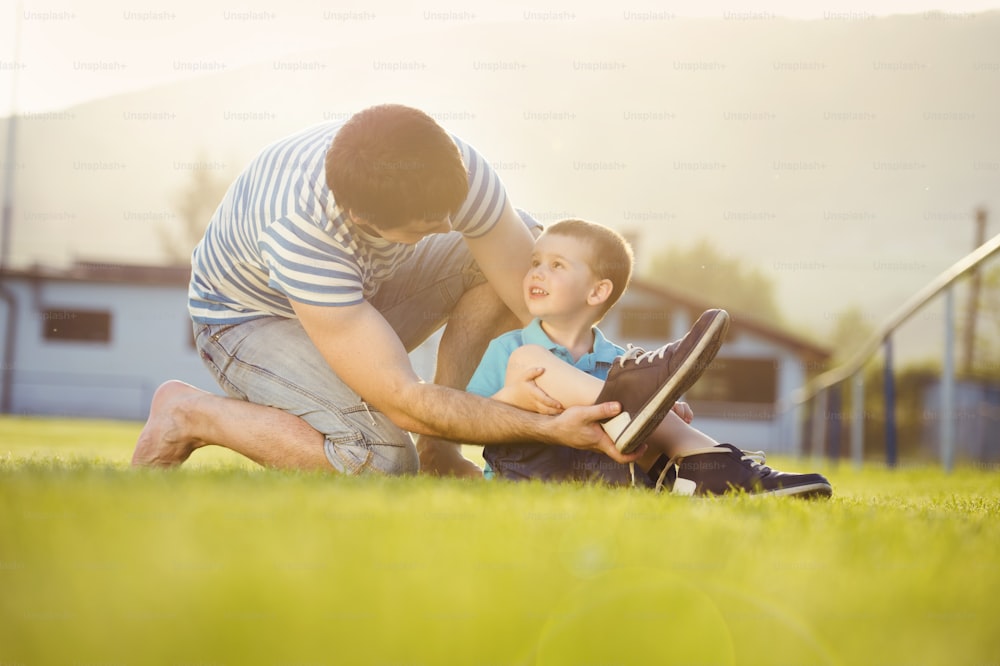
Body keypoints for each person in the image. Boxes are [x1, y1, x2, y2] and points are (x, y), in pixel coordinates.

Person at [131, 104, 720, 478]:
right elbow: (401, 397)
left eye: (450, 212)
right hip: (251, 319)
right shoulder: (300, 232)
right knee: (380, 460)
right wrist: (544, 427)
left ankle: (442, 456)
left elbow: (534, 301)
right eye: (427, 226)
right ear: (365, 221)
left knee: (519, 252)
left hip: (364, 289)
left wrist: (620, 391)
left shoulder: (454, 173)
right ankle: (189, 414)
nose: (447, 226)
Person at [466, 218, 833, 497]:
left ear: (597, 292)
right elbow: (472, 420)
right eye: (535, 262)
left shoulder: (617, 360)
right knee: (531, 360)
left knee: (638, 403)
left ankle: (696, 461)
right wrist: (512, 398)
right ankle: (703, 453)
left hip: (604, 475)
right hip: (525, 470)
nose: (537, 272)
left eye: (557, 265)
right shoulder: (509, 350)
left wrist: (665, 411)